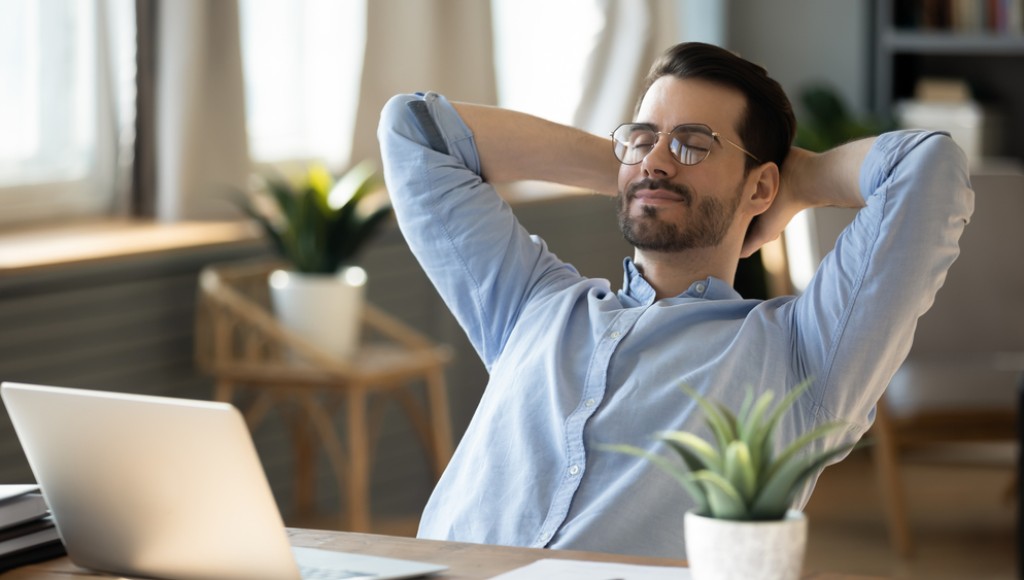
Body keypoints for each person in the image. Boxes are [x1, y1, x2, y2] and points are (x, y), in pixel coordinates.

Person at [376, 42, 973, 558]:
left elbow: (928, 167)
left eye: (694, 143)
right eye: (640, 138)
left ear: (761, 184)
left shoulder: (803, 355)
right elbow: (414, 129)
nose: (659, 158)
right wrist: (639, 172)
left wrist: (795, 183)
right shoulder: (532, 301)